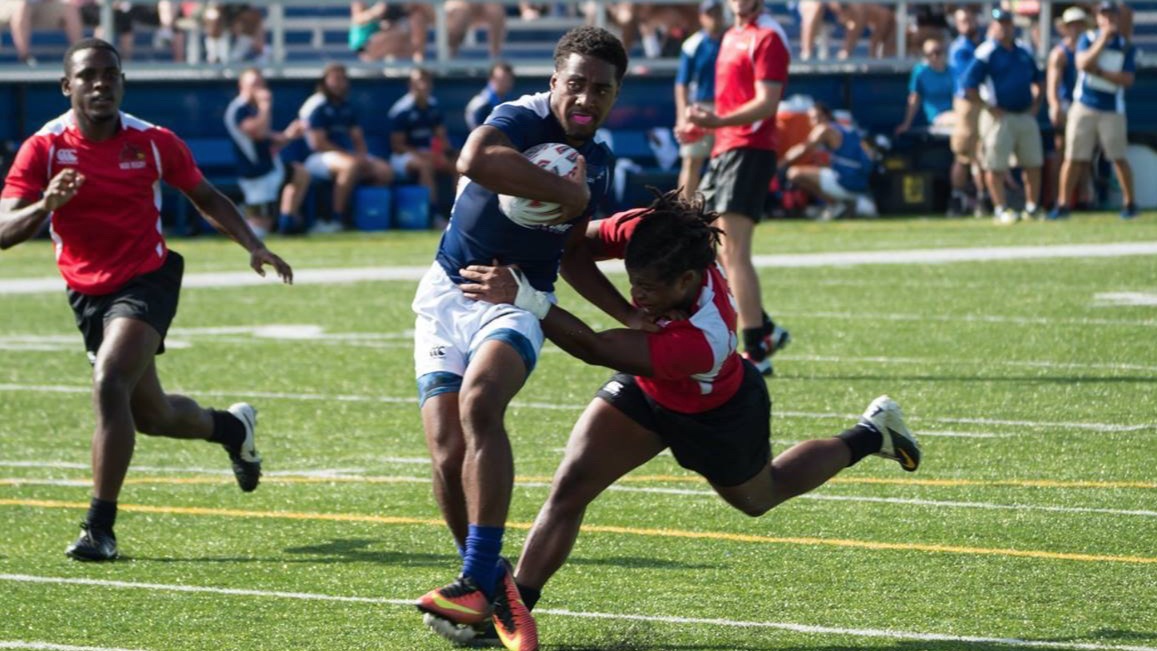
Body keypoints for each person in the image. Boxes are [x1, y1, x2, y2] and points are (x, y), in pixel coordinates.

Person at [457, 190, 922, 624]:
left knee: (760, 496)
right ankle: (511, 607)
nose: (638, 293)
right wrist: (627, 308)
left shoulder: (707, 334)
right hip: (649, 387)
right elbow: (575, 250)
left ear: (687, 280)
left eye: (648, 289)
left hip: (716, 413)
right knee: (572, 485)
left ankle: (870, 433)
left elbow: (598, 349)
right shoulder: (651, 232)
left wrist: (528, 300)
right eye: (633, 281)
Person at [0, 39, 293, 562]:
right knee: (152, 415)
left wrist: (254, 245)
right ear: (67, 86)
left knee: (109, 379)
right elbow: (3, 230)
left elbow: (205, 196)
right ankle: (231, 428)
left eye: (110, 74)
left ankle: (99, 528)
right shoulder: (42, 149)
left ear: (122, 82)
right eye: (88, 75)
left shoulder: (153, 141)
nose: (100, 84)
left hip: (147, 278)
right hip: (87, 292)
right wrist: (47, 204)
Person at [411, 26, 633, 651]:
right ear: (555, 81)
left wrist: (627, 314)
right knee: (447, 452)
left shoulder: (604, 161)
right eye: (577, 83)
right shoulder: (519, 116)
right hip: (448, 295)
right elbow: (474, 159)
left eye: (602, 89)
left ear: (616, 95)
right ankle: (489, 583)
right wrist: (568, 190)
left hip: (515, 301)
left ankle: (476, 581)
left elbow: (571, 255)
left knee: (480, 402)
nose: (587, 98)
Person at [684, 0, 791, 377]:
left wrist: (718, 121)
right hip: (727, 146)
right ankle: (762, 327)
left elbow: (767, 104)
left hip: (750, 148)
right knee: (713, 247)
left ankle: (756, 350)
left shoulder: (768, 37)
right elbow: (730, 101)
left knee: (736, 250)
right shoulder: (732, 35)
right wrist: (704, 126)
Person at [1051, 1, 1137, 220]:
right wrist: (1102, 41)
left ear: (1117, 18)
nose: (1108, 20)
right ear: (1097, 18)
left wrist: (1099, 71)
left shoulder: (1126, 46)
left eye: (1111, 16)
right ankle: (1063, 204)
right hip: (1085, 105)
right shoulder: (1087, 39)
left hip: (1112, 107)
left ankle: (1130, 203)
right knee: (1073, 157)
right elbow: (1082, 63)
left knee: (1118, 157)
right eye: (1104, 16)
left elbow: (1126, 79)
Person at [961, 8, 1044, 225]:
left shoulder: (1024, 50)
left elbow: (1039, 79)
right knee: (996, 165)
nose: (1004, 27)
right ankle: (1000, 208)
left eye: (1007, 23)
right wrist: (989, 107)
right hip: (1000, 117)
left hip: (1024, 114)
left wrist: (1036, 104)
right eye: (1000, 23)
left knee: (1032, 163)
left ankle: (1032, 207)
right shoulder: (986, 52)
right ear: (993, 26)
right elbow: (968, 86)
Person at [298, 62, 394, 232]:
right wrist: (351, 157)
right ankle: (336, 219)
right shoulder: (316, 105)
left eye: (343, 79)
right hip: (317, 158)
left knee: (384, 170)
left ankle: (367, 215)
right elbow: (318, 143)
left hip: (346, 155)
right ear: (324, 81)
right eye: (335, 79)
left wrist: (362, 155)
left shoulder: (346, 106)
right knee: (350, 166)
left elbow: (357, 137)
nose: (340, 83)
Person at [224, 67, 311, 237]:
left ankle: (287, 223)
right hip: (256, 174)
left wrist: (289, 134)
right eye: (254, 84)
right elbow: (256, 132)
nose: (259, 89)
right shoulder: (239, 109)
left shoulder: (252, 109)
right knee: (260, 229)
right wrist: (265, 106)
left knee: (300, 174)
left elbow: (267, 138)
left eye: (261, 84)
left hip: (270, 168)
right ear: (242, 86)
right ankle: (239, 222)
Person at [780, 102, 874, 221]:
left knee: (794, 173)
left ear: (825, 116)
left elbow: (802, 149)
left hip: (846, 182)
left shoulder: (824, 128)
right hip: (861, 183)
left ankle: (835, 205)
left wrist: (780, 164)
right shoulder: (844, 127)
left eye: (815, 117)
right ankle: (848, 204)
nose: (812, 122)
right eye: (810, 118)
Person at [388, 67, 455, 220]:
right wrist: (421, 154)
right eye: (419, 81)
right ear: (411, 85)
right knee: (425, 166)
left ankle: (459, 212)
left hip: (429, 154)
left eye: (426, 81)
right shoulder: (401, 110)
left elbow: (441, 136)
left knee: (459, 164)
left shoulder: (433, 106)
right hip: (403, 157)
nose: (423, 85)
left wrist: (447, 152)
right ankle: (434, 215)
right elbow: (397, 146)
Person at [673, 0, 724, 202]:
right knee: (692, 161)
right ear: (702, 17)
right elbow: (682, 84)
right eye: (710, 14)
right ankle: (683, 209)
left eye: (717, 13)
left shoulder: (731, 40)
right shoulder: (693, 44)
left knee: (724, 161)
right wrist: (683, 116)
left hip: (727, 108)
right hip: (701, 107)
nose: (715, 18)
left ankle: (720, 208)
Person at [1045, 6, 1089, 211]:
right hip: (1067, 105)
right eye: (1072, 25)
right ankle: (1058, 199)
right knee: (1063, 153)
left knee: (1085, 155)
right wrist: (1055, 106)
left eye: (1079, 24)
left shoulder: (1089, 48)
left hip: (1086, 105)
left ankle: (1083, 197)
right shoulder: (1060, 53)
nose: (1076, 29)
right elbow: (1053, 84)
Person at [947, 6, 988, 217]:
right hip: (968, 103)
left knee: (982, 154)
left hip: (982, 102)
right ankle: (956, 198)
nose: (968, 24)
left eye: (970, 20)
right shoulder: (960, 48)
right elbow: (968, 81)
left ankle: (983, 198)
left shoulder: (978, 45)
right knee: (963, 154)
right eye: (963, 21)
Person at [895, 37, 955, 136]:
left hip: (956, 113)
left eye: (937, 52)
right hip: (937, 117)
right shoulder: (921, 72)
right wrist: (906, 124)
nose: (934, 56)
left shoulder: (952, 71)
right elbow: (914, 99)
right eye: (929, 54)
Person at [1, 0, 82, 65]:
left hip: (41, 6)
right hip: (9, 5)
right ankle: (25, 57)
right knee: (22, 6)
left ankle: (79, 56)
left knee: (69, 8)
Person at [465, 61, 516, 132]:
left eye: (508, 79)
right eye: (501, 79)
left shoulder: (512, 101)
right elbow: (478, 135)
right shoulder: (480, 105)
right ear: (491, 79)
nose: (505, 83)